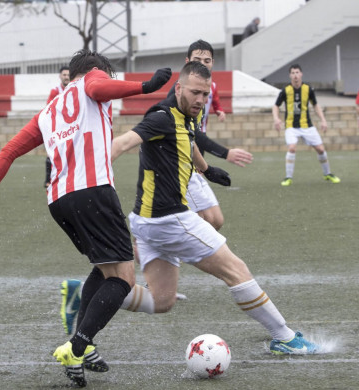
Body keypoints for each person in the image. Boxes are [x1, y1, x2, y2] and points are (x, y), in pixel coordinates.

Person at [64, 63, 322, 370]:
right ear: (178, 89)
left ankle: (88, 296)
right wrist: (85, 175)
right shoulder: (160, 117)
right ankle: (284, 338)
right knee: (236, 270)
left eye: (204, 93)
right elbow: (121, 143)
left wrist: (208, 169)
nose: (200, 99)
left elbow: (190, 141)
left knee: (162, 300)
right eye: (195, 92)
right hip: (169, 220)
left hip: (147, 224)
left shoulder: (187, 118)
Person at [0, 49, 172, 388]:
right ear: (94, 70)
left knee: (104, 268)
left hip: (58, 200)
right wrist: (145, 86)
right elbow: (99, 89)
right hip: (93, 191)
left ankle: (83, 346)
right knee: (124, 279)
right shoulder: (93, 78)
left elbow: (9, 150)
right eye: (105, 73)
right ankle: (77, 346)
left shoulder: (48, 111)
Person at [168, 39, 252, 230]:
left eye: (207, 61)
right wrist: (225, 153)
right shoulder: (180, 93)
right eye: (197, 60)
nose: (201, 64)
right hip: (172, 166)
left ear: (212, 63)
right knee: (201, 222)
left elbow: (191, 137)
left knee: (214, 220)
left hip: (188, 160)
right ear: (187, 61)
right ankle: (152, 246)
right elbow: (192, 134)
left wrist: (205, 168)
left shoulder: (205, 90)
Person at [272, 64, 340, 186]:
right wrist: (276, 119)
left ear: (301, 74)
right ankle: (288, 177)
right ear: (290, 76)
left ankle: (327, 173)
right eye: (292, 73)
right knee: (292, 147)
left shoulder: (308, 89)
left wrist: (323, 120)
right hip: (291, 126)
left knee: (320, 149)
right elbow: (276, 105)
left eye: (297, 72)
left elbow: (315, 105)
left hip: (307, 125)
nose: (295, 75)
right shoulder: (285, 90)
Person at [44, 66, 71, 188]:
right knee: (54, 153)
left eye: (68, 75)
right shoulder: (55, 91)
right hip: (58, 127)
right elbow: (49, 108)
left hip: (71, 126)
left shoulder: (74, 89)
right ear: (60, 76)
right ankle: (49, 180)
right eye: (64, 75)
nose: (66, 77)